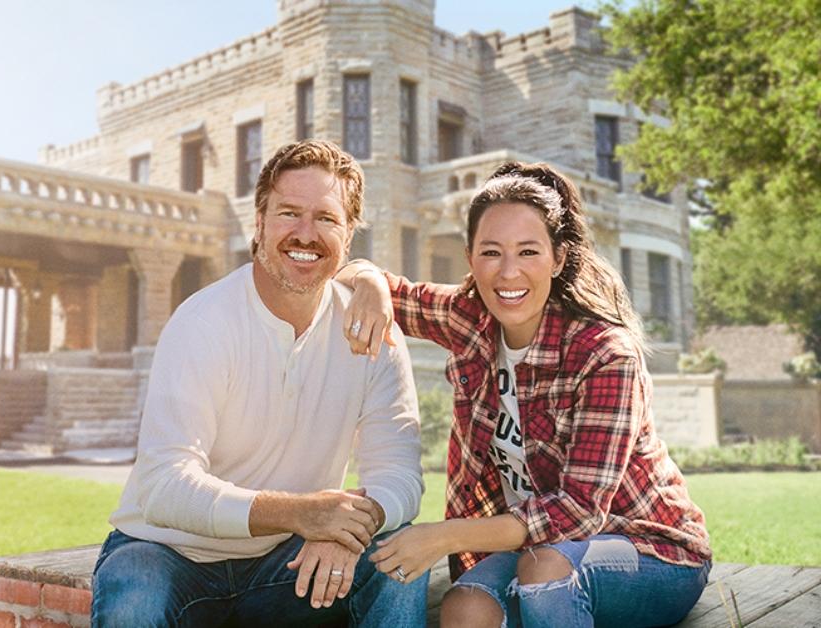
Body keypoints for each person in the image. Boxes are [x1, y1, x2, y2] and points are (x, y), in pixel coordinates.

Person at [337, 161, 711, 627]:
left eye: (528, 252)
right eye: (491, 252)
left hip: (650, 550)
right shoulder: (469, 318)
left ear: (558, 258)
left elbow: (577, 511)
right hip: (536, 545)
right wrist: (371, 285)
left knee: (546, 571)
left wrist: (442, 537)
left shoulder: (605, 354)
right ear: (470, 257)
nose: (508, 273)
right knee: (465, 609)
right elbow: (364, 274)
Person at [91, 140, 430, 627]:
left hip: (286, 560)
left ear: (349, 232)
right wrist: (300, 513)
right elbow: (164, 486)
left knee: (397, 559)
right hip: (168, 552)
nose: (305, 234)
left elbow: (399, 472)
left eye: (326, 218)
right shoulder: (204, 321)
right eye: (289, 213)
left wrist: (352, 525)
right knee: (135, 604)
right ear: (260, 222)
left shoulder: (373, 333)